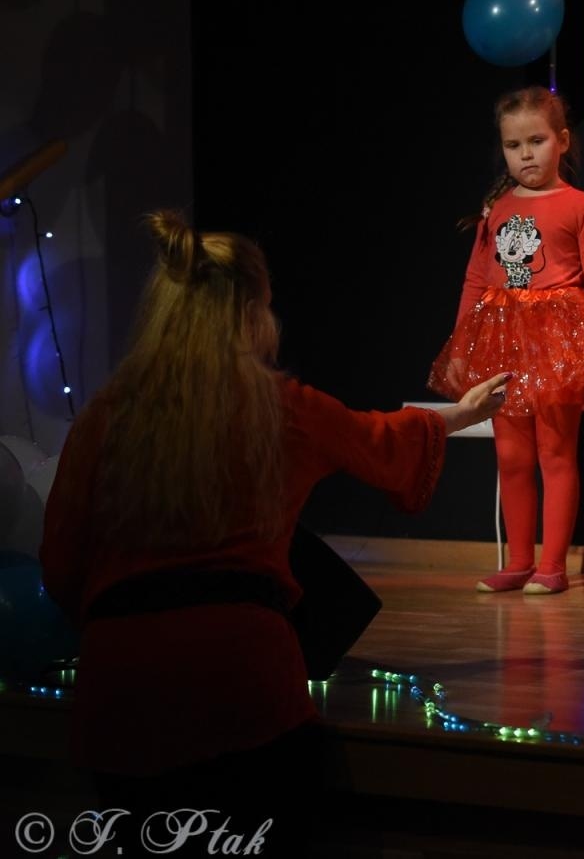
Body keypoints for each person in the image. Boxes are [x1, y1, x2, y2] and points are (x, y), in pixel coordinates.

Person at [39, 210, 506, 834]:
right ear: (249, 314)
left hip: (118, 698)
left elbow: (62, 562)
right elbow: (376, 439)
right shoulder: (279, 408)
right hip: (243, 686)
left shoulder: (105, 416)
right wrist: (456, 416)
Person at [429, 86, 584, 595]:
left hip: (557, 343)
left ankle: (552, 564)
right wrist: (464, 345)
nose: (526, 154)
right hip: (503, 341)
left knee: (556, 453)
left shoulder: (581, 206)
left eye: (536, 141)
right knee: (511, 457)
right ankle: (518, 560)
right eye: (514, 145)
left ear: (563, 141)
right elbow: (476, 278)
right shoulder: (498, 206)